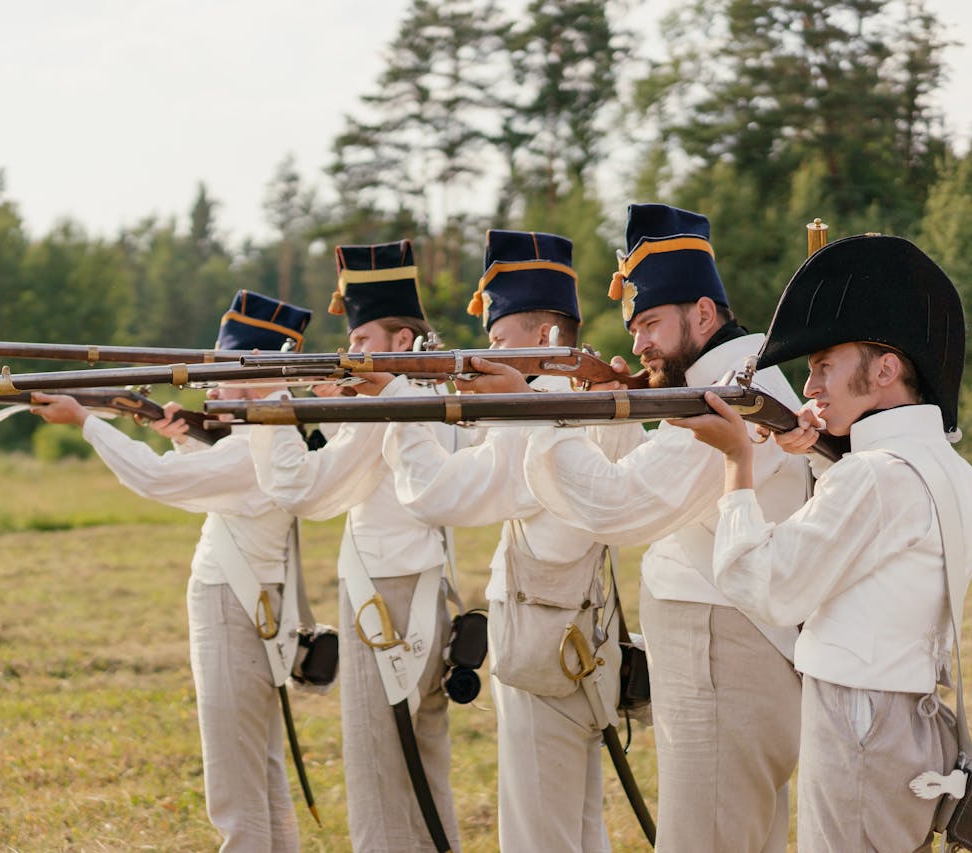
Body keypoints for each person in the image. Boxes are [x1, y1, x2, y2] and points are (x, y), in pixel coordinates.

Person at [467, 204, 807, 852]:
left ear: (703, 314)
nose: (639, 342)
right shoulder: (734, 376)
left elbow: (620, 503)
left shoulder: (730, 390)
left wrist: (532, 406)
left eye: (650, 321)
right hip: (736, 653)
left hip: (722, 656)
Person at [672, 234, 972, 852]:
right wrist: (821, 460)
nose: (808, 386)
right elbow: (867, 552)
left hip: (860, 718)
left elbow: (767, 587)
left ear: (886, 369)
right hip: (909, 716)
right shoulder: (945, 466)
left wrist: (739, 460)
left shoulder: (874, 474)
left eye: (824, 365)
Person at [381, 230, 641, 851]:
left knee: (537, 835)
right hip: (578, 640)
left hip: (539, 644)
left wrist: (397, 405)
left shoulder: (539, 414)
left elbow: (437, 495)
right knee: (577, 827)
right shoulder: (579, 400)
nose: (487, 350)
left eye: (499, 339)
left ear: (545, 339)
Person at [31, 289, 314, 853]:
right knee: (257, 770)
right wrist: (186, 435)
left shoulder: (255, 446)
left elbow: (160, 483)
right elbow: (208, 486)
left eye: (223, 372)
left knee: (237, 786)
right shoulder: (264, 439)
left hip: (234, 608)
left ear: (258, 379)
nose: (209, 385)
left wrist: (87, 422)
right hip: (250, 605)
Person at [248, 240, 462, 853]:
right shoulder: (421, 395)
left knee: (376, 775)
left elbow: (306, 491)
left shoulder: (393, 402)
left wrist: (274, 406)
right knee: (423, 769)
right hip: (422, 589)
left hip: (385, 598)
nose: (351, 355)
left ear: (401, 344)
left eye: (363, 341)